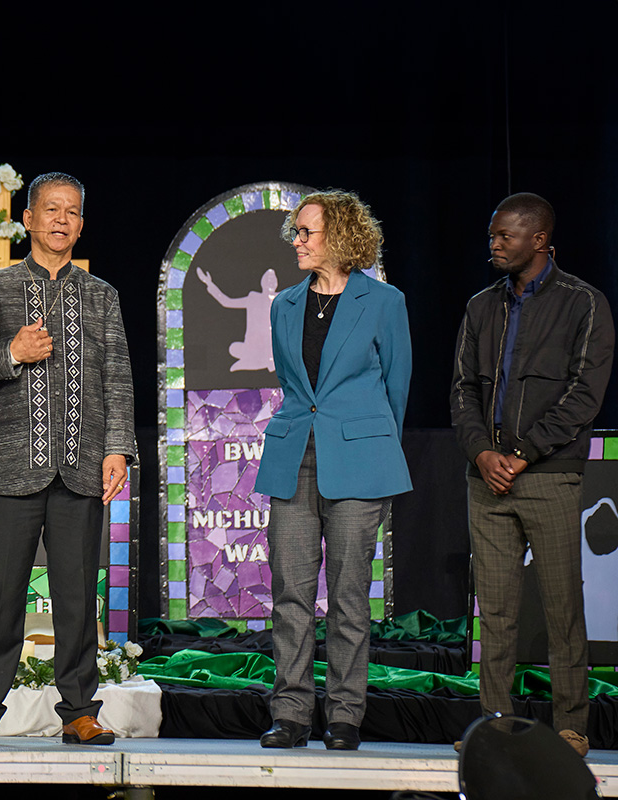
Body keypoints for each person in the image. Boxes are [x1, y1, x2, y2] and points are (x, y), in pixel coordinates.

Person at [0, 172, 136, 746]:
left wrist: (118, 450)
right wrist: (13, 351)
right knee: (0, 596)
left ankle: (80, 711)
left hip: (82, 467)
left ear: (81, 224)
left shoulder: (101, 296)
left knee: (78, 599)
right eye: (50, 210)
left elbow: (118, 378)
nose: (61, 220)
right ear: (27, 219)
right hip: (13, 467)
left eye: (72, 212)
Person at [450, 192, 614, 758]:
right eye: (492, 235)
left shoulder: (583, 303)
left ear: (539, 239)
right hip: (487, 480)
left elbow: (583, 394)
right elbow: (464, 390)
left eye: (505, 235)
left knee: (562, 605)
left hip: (548, 476)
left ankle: (572, 725)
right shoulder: (479, 306)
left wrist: (521, 454)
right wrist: (481, 454)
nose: (494, 244)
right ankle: (494, 725)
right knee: (494, 609)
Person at [254, 190, 412, 751]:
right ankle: (291, 713)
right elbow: (294, 388)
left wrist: (367, 443)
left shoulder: (384, 301)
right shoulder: (285, 305)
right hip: (294, 459)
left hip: (360, 462)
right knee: (290, 594)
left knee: (349, 596)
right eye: (295, 233)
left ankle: (344, 714)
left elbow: (397, 390)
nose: (296, 241)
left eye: (306, 232)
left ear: (340, 236)